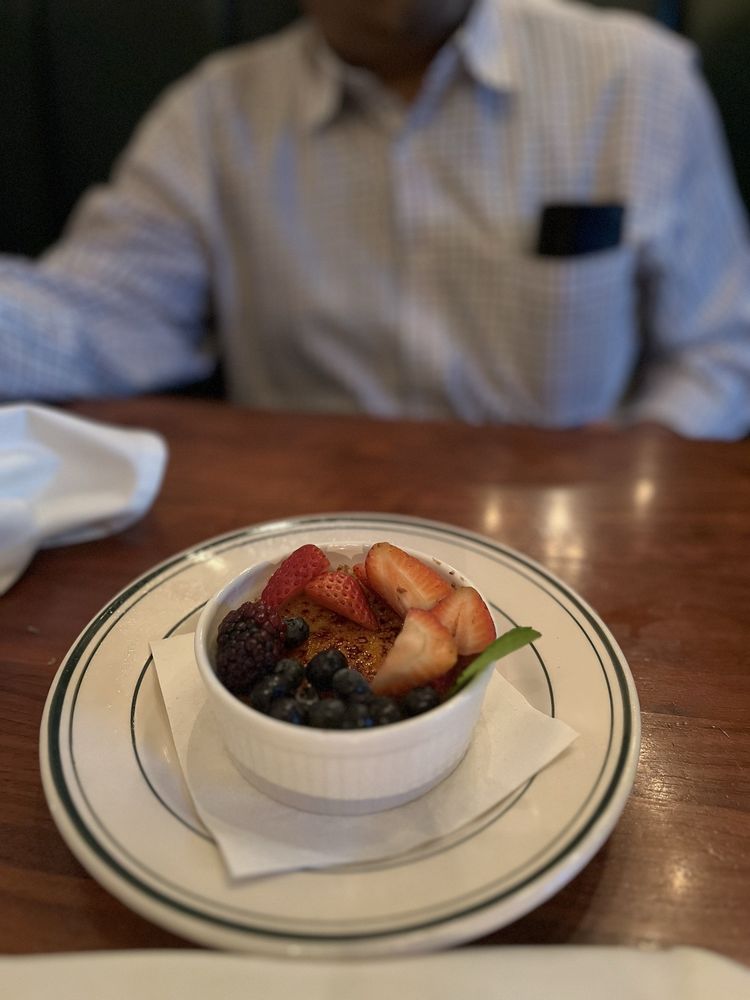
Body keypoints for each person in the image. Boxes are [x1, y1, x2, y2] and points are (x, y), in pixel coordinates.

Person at [1, 0, 749, 438]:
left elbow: (722, 347)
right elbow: (96, 316)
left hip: (569, 534)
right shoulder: (211, 119)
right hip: (306, 554)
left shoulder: (637, 81)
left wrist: (634, 465)